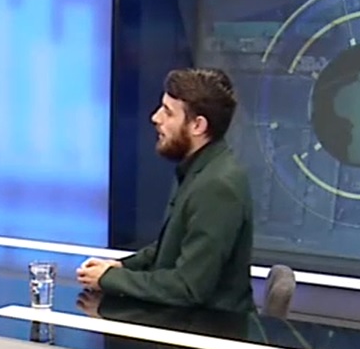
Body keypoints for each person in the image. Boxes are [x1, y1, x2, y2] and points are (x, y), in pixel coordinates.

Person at [77, 67, 297, 315]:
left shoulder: (217, 186)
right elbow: (167, 249)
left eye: (168, 112)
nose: (156, 118)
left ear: (198, 125)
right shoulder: (200, 170)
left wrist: (110, 279)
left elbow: (188, 287)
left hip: (212, 331)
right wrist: (118, 267)